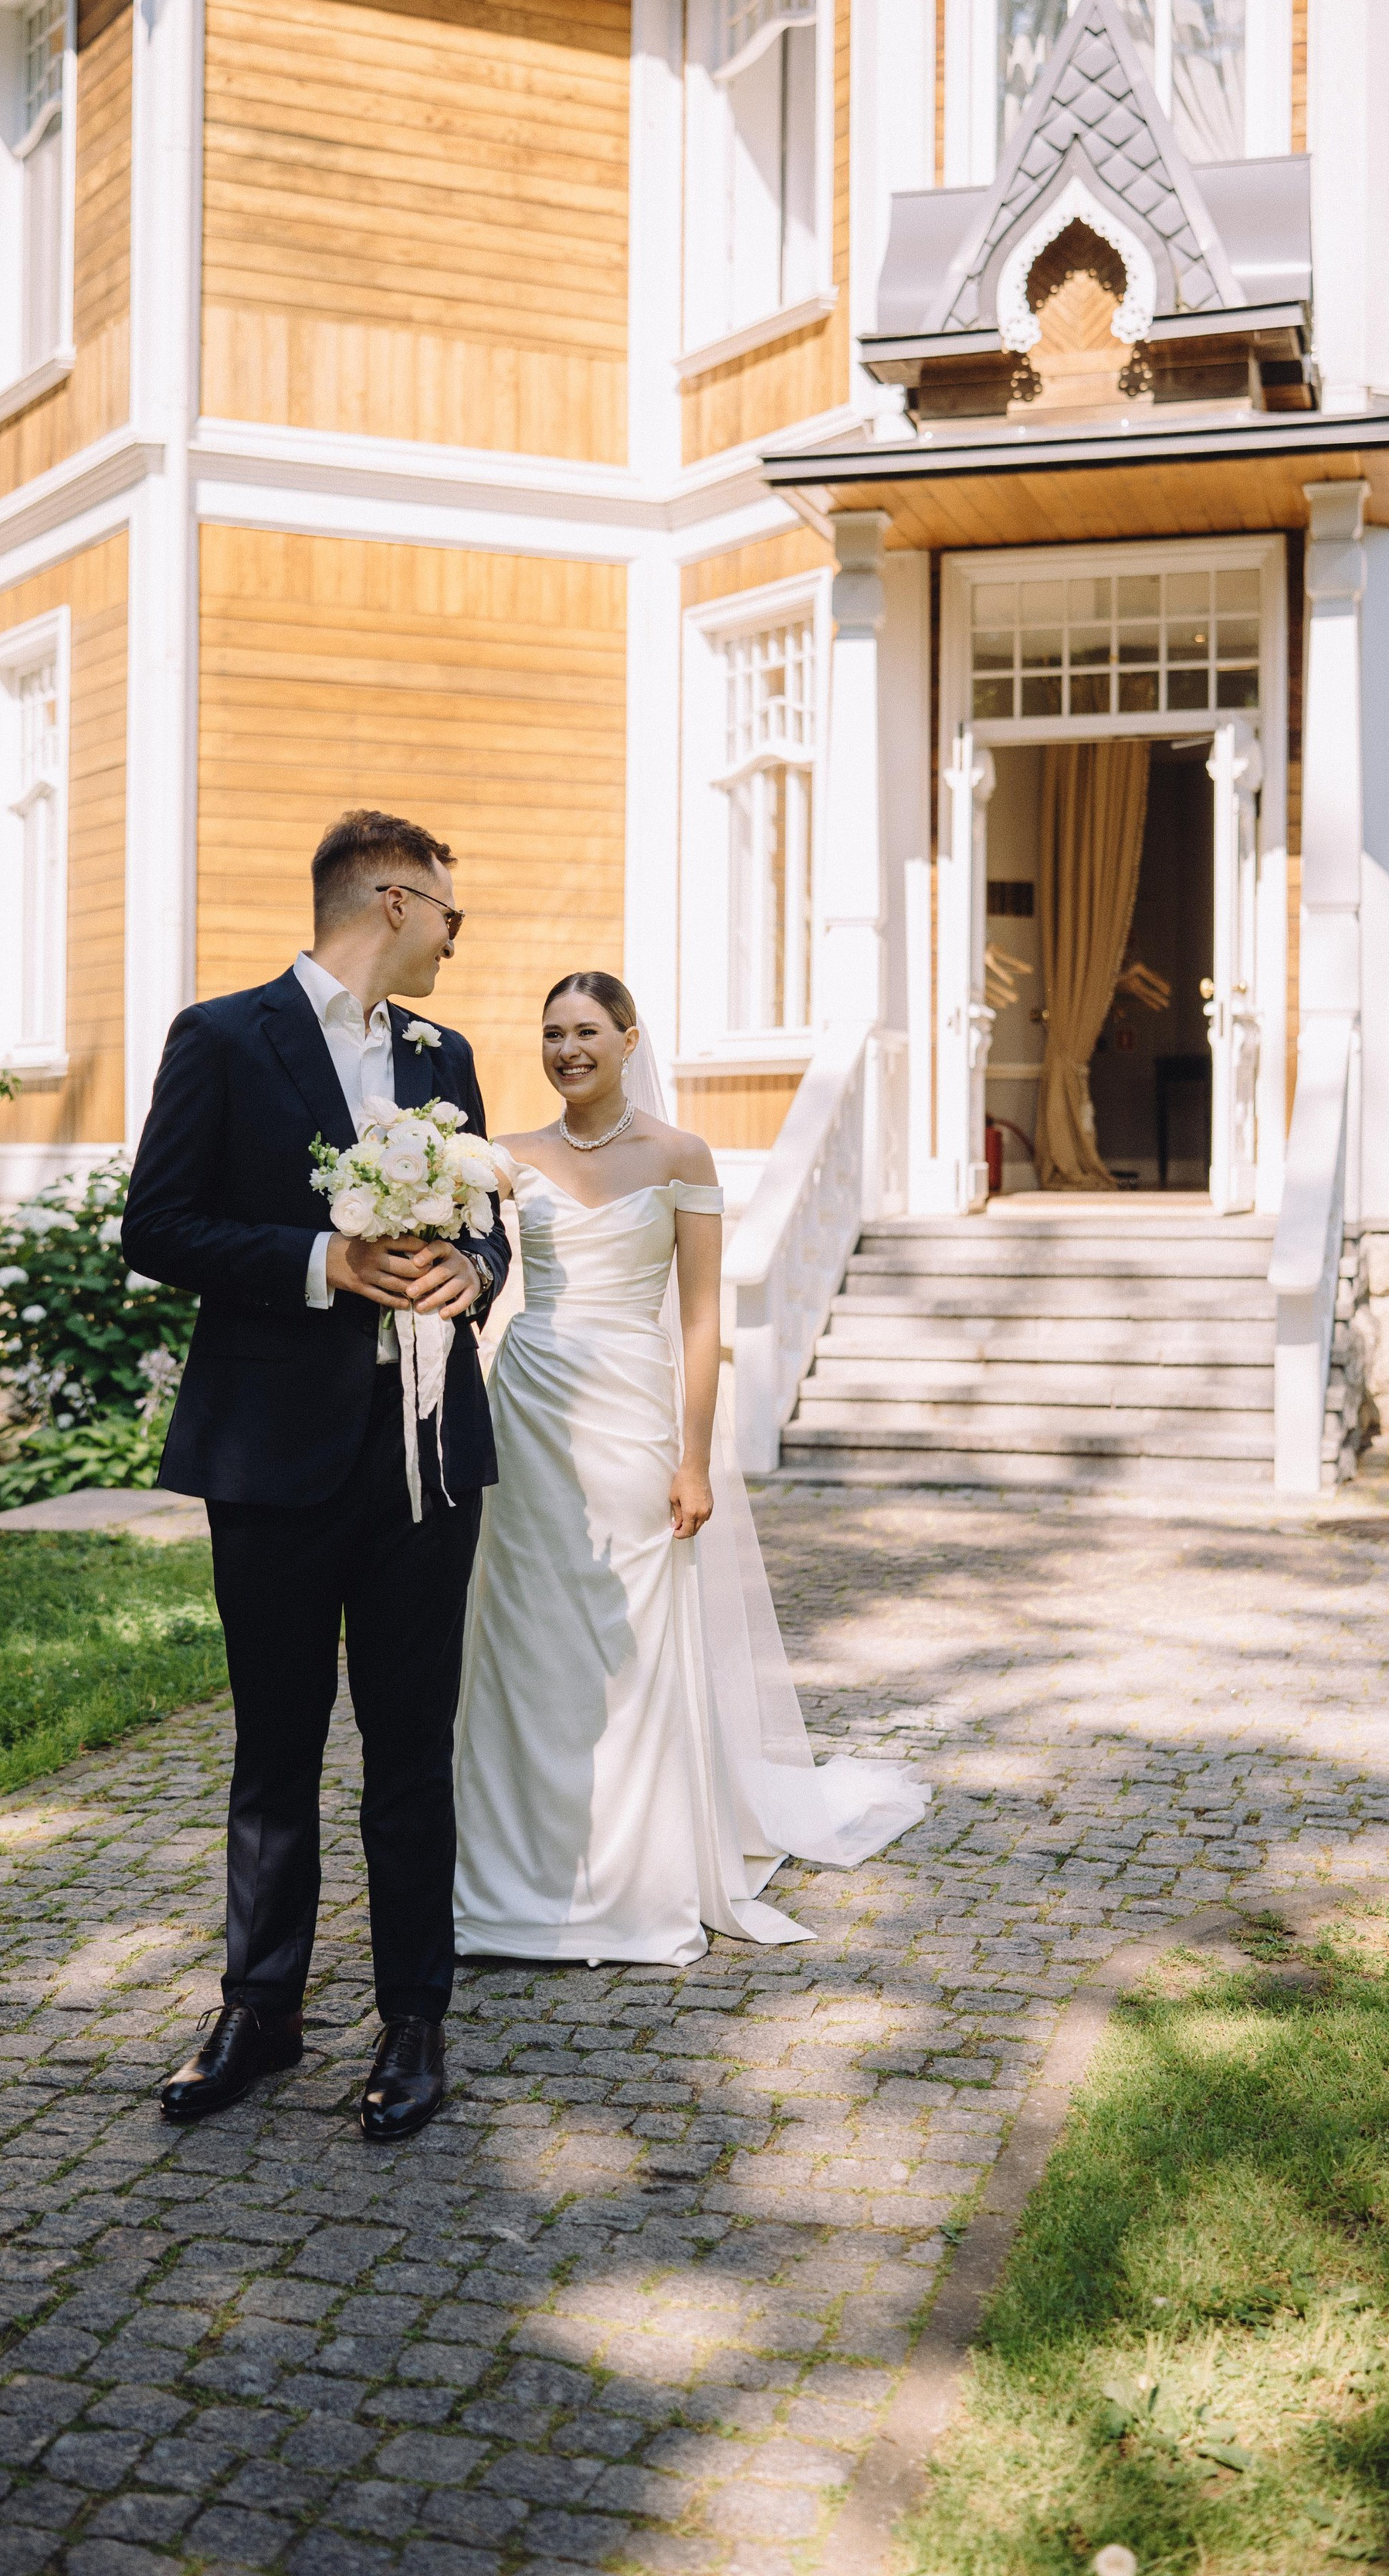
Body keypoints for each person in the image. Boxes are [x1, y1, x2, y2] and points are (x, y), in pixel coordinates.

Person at [120, 810, 510, 2141]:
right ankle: (261, 2011)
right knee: (275, 1747)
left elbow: (492, 1225)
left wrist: (475, 1273)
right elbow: (156, 1225)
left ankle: (414, 2020)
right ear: (395, 901)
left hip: (426, 1462)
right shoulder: (223, 1038)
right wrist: (321, 1263)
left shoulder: (444, 1055)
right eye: (451, 915)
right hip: (276, 1454)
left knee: (411, 1749)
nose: (459, 941)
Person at [452, 972, 929, 1967]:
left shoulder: (682, 1156)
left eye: (586, 1031)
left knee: (627, 1639)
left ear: (630, 1040)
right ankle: (510, 1873)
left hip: (634, 1411)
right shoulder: (509, 1159)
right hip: (530, 1405)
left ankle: (633, 1875)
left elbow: (705, 1319)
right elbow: (465, 1256)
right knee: (521, 1632)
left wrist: (695, 1458)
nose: (567, 1049)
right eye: (551, 1034)